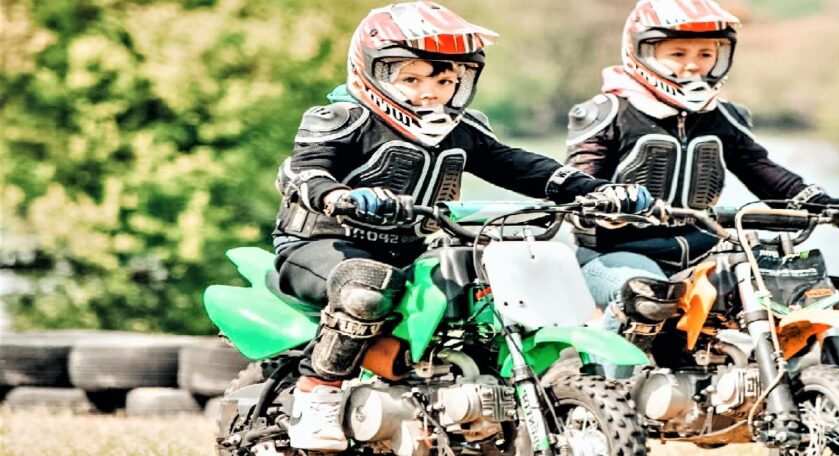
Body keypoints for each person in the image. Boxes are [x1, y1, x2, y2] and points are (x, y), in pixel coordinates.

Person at [271, 2, 652, 450]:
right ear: (373, 71)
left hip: (410, 248)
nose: (430, 92)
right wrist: (338, 196)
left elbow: (520, 167)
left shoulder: (462, 128)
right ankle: (319, 395)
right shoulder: (340, 119)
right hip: (325, 244)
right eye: (411, 78)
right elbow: (307, 170)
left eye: (446, 79)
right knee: (365, 286)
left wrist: (591, 189)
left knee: (476, 288)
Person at [564, 0, 839, 378]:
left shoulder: (723, 118)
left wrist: (828, 205)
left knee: (801, 288)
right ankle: (609, 397)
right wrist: (600, 200)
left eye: (706, 53)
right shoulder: (606, 113)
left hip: (703, 249)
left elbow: (764, 172)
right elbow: (579, 181)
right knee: (647, 293)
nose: (693, 64)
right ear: (642, 52)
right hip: (614, 255)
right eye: (678, 53)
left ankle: (797, 391)